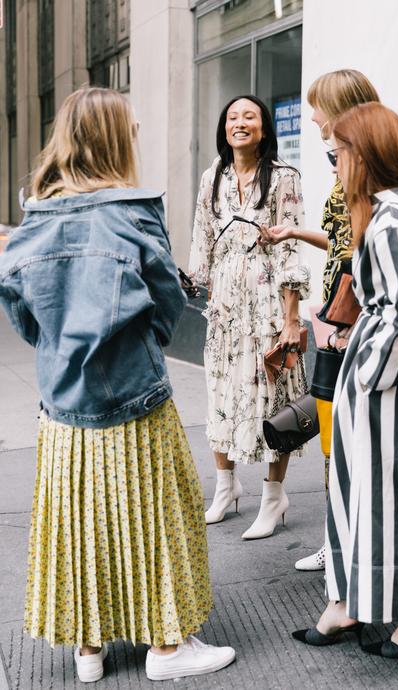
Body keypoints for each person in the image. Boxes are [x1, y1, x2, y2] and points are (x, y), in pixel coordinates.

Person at [0, 87, 235, 683]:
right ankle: (166, 646)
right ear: (112, 139)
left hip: (63, 402)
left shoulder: (35, 216)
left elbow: (20, 309)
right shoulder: (133, 211)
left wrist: (60, 347)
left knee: (79, 521)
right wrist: (144, 344)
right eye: (129, 129)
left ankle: (89, 650)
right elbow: (167, 302)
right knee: (156, 515)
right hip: (134, 394)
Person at [292, 101, 398, 657]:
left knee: (392, 491)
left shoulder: (390, 219)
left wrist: (363, 371)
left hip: (391, 379)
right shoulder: (397, 211)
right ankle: (361, 603)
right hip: (396, 373)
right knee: (380, 490)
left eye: (339, 150)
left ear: (365, 155)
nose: (333, 158)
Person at [259, 69, 379, 571]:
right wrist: (298, 233)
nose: (312, 117)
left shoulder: (365, 165)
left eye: (318, 107)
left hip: (349, 322)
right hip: (336, 316)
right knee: (332, 433)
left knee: (347, 435)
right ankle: (339, 536)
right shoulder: (346, 161)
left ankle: (349, 541)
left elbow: (364, 249)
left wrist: (342, 321)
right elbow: (340, 244)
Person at [189, 95, 310, 540]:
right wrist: (190, 284)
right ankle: (226, 487)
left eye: (250, 117)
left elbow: (292, 248)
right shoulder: (211, 178)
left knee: (272, 399)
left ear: (263, 129)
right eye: (233, 117)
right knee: (220, 390)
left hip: (267, 300)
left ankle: (274, 496)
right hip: (224, 302)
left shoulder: (283, 178)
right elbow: (201, 239)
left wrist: (291, 318)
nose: (240, 123)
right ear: (224, 127)